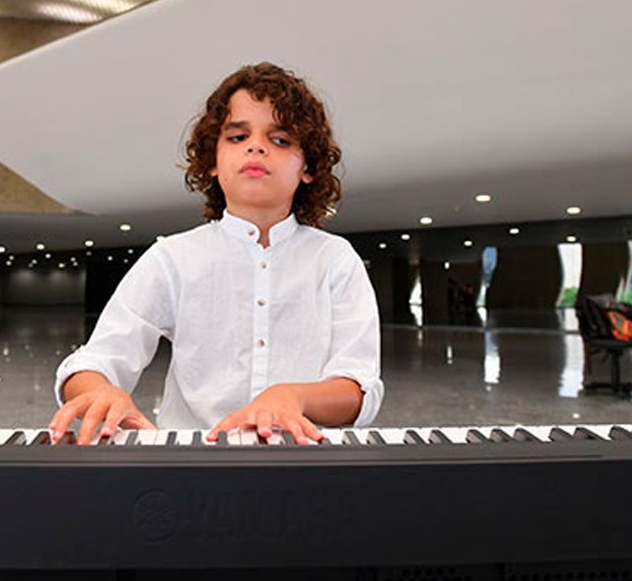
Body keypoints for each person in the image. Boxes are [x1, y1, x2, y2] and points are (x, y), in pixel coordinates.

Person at [50, 62, 383, 445]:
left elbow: (359, 390)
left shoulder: (335, 259)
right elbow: (95, 361)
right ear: (212, 160)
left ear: (307, 167)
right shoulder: (173, 257)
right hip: (190, 468)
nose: (256, 146)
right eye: (238, 137)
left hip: (306, 466)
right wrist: (99, 390)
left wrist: (292, 396)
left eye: (281, 140)